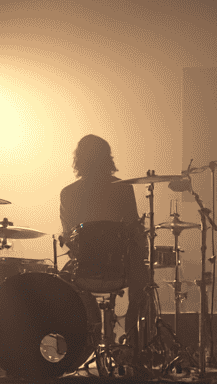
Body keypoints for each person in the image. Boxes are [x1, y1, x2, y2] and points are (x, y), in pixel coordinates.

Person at [59, 134, 149, 354]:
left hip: (84, 271)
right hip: (121, 268)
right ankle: (135, 345)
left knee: (58, 286)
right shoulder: (123, 188)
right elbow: (133, 230)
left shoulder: (68, 193)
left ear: (78, 160)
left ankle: (77, 344)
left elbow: (69, 239)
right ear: (107, 159)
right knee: (145, 283)